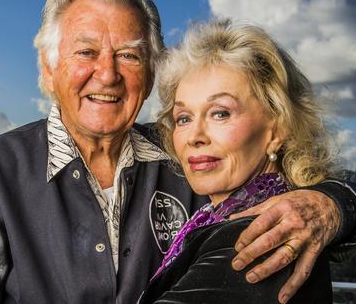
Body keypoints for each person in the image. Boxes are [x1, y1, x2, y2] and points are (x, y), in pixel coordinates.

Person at [0, 0, 356, 304]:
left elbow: (285, 181)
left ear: (152, 72)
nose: (108, 74)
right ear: (48, 68)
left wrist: (333, 204)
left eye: (129, 55)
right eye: (86, 52)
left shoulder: (189, 159)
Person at [139, 19, 341, 303]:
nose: (194, 136)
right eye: (183, 118)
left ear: (277, 129)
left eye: (220, 113)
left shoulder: (256, 237)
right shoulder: (224, 216)